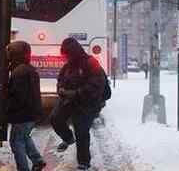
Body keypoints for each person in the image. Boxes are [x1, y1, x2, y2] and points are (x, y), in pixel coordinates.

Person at [50, 37, 106, 170]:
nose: (66, 57)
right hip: (70, 100)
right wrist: (61, 89)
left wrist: (76, 93)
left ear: (74, 52)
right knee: (55, 119)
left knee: (81, 130)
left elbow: (96, 85)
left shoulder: (91, 63)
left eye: (67, 54)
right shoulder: (68, 65)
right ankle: (68, 138)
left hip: (88, 103)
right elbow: (60, 79)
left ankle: (84, 162)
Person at [6, 41, 47, 171]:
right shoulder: (29, 69)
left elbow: (19, 97)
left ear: (14, 55)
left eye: (10, 54)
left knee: (16, 142)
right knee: (24, 137)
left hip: (22, 115)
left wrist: (7, 109)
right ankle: (37, 160)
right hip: (31, 114)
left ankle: (23, 168)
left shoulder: (19, 73)